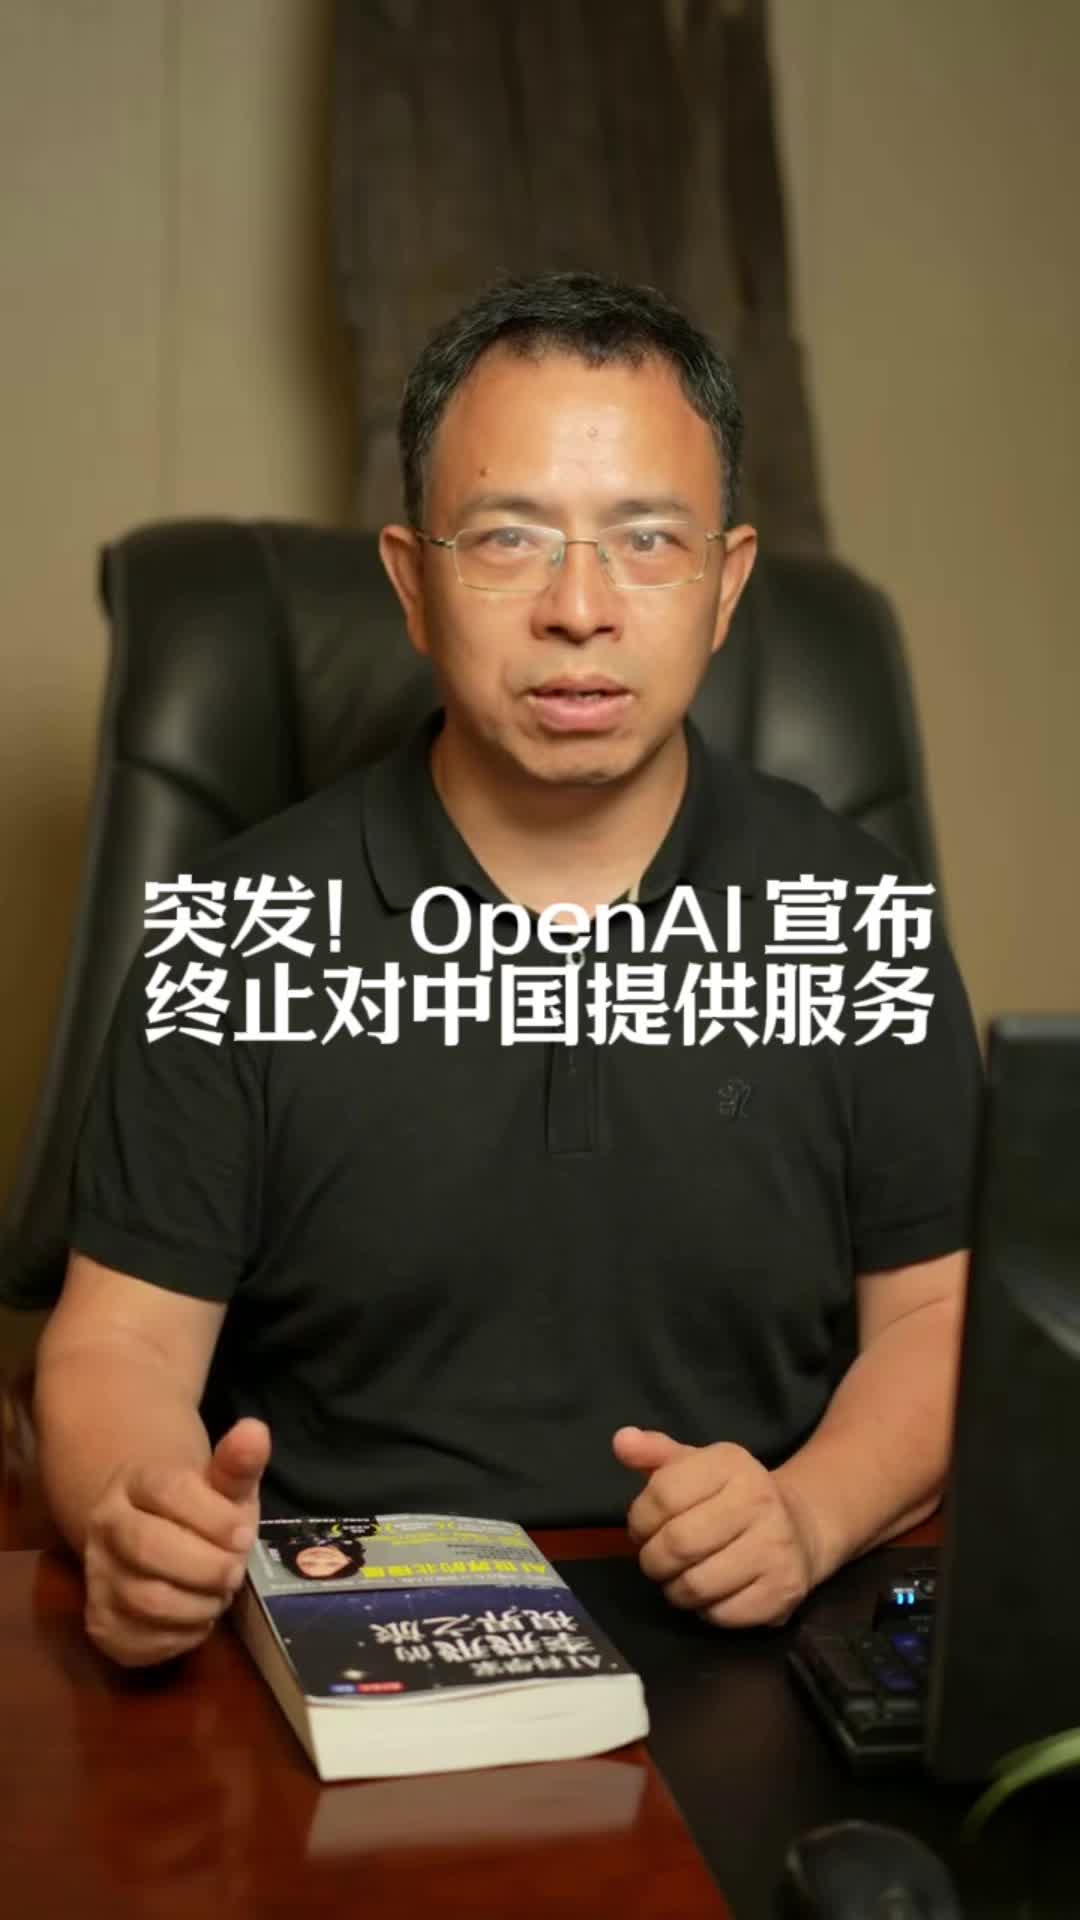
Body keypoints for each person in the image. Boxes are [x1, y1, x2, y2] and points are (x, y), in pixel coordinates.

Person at [34, 271, 982, 1670]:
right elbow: (117, 1347)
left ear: (726, 583)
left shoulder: (855, 918)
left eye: (646, 540)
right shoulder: (234, 930)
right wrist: (139, 1512)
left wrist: (809, 1513)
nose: (578, 608)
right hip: (332, 1630)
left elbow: (941, 1319)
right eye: (509, 540)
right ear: (413, 584)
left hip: (754, 1633)